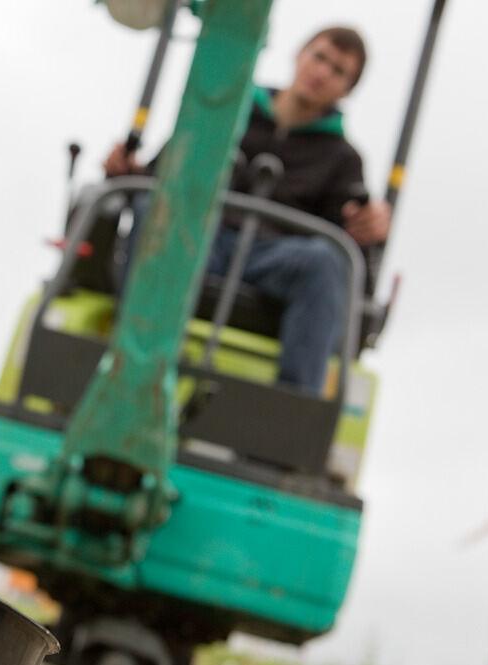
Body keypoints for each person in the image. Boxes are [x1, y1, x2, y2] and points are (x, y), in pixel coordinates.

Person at [103, 26, 391, 395]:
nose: (322, 73)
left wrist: (370, 228)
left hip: (274, 258)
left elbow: (351, 247)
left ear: (347, 91)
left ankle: (292, 409)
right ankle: (133, 362)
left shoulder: (343, 160)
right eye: (320, 58)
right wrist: (129, 174)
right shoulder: (226, 112)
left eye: (338, 72)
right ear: (299, 54)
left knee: (327, 260)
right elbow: (164, 178)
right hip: (202, 239)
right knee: (155, 209)